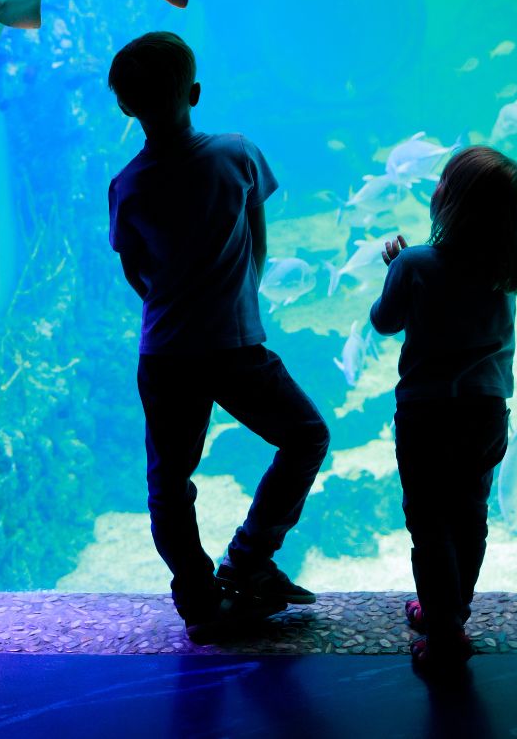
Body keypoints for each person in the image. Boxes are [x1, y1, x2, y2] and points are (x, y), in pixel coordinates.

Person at [107, 32, 330, 643]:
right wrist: (238, 295)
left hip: (166, 353)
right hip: (234, 347)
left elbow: (137, 271)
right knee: (306, 436)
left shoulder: (126, 185)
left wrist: (176, 303)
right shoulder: (237, 155)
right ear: (196, 93)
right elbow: (260, 239)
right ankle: (249, 561)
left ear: (126, 107)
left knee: (170, 482)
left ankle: (198, 599)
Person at [369, 145, 517, 669]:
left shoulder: (414, 262)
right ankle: (450, 612)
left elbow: (383, 322)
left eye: (442, 184)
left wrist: (396, 271)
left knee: (429, 524)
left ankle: (442, 633)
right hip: (485, 416)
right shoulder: (510, 262)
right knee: (469, 516)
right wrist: (511, 195)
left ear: (447, 203)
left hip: (426, 417)